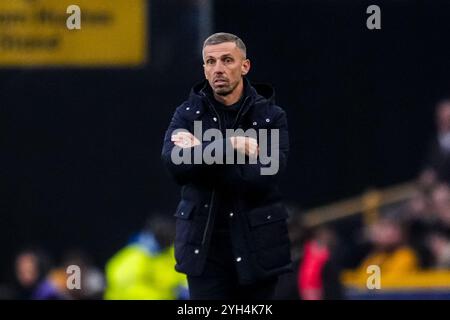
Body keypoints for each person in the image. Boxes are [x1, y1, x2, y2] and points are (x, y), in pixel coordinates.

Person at [161, 32, 291, 299]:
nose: (217, 69)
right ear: (204, 68)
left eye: (227, 60)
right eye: (210, 62)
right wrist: (231, 144)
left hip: (258, 249)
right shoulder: (185, 114)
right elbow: (176, 164)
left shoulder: (270, 117)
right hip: (203, 251)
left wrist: (201, 153)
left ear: (245, 66)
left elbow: (261, 176)